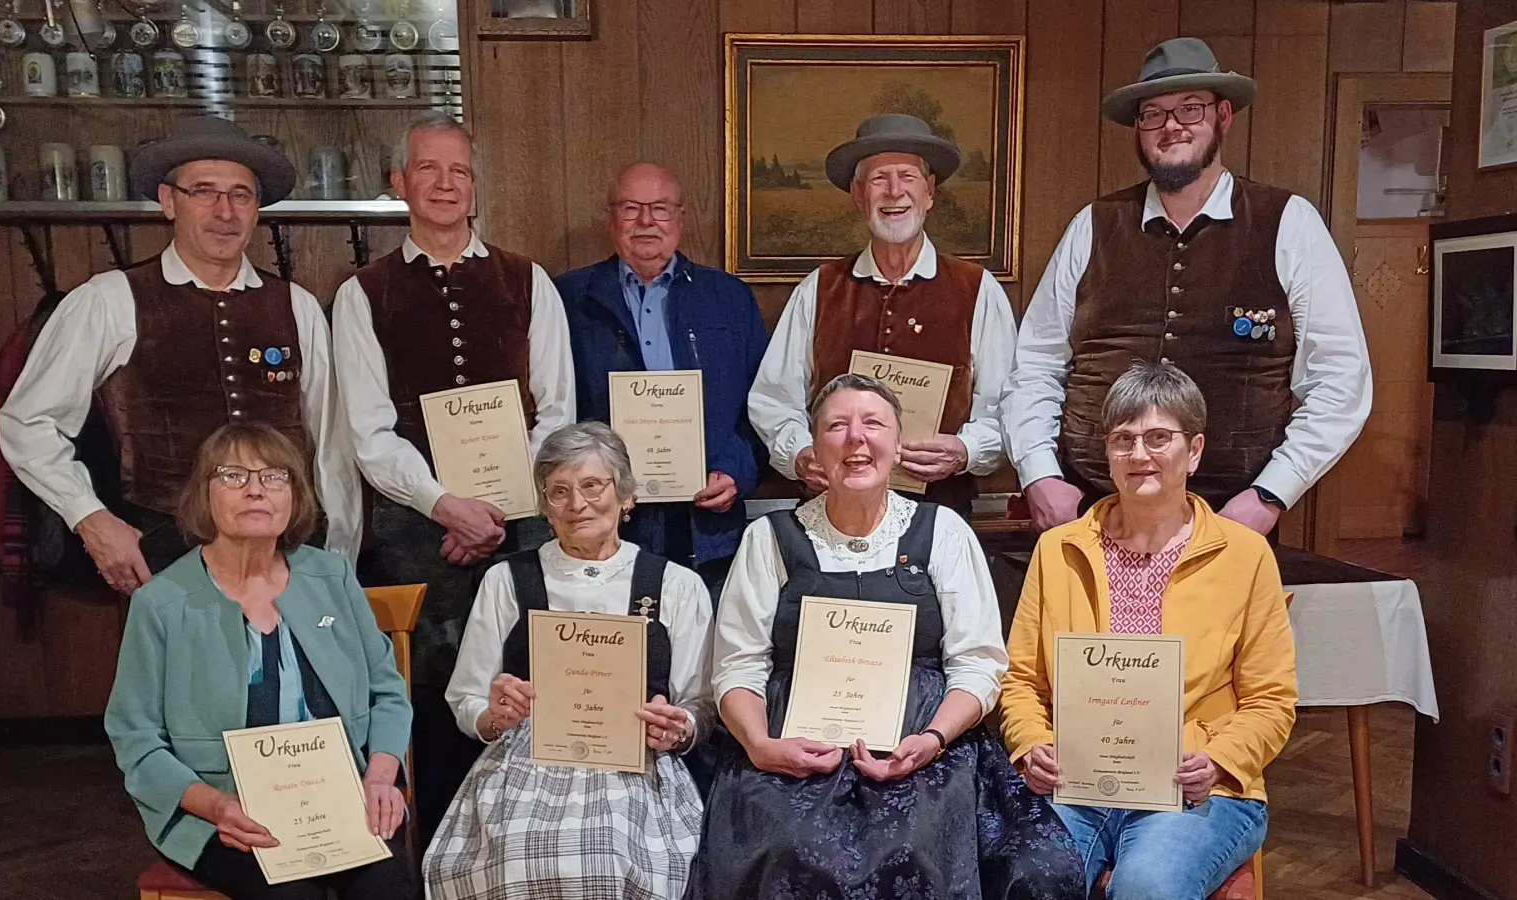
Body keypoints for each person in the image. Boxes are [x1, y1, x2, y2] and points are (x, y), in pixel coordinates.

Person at [686, 374, 1082, 900]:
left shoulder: (943, 530)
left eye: (873, 424)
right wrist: (760, 746)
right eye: (837, 426)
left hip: (925, 746)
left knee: (917, 845)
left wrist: (934, 740)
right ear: (814, 449)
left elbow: (978, 664)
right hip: (791, 744)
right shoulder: (769, 538)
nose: (856, 438)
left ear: (897, 445)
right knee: (787, 846)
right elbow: (738, 664)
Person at [1001, 37, 1371, 535]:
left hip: (1230, 517)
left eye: (1190, 109)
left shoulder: (1288, 223)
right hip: (1092, 510)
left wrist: (1270, 493)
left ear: (1223, 118)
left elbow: (1340, 380)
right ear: (1138, 129)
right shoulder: (1094, 224)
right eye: (1153, 113)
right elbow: (1036, 366)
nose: (1171, 125)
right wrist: (1040, 475)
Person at [331, 111, 575, 831]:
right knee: (430, 691)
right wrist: (447, 504)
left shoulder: (527, 281)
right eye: (429, 169)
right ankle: (439, 846)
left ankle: (534, 835)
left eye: (459, 171)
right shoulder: (362, 293)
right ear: (400, 183)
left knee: (529, 675)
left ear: (475, 188)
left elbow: (558, 408)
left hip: (524, 520)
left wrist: (500, 505)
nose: (445, 183)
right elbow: (368, 433)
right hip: (415, 530)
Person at [0, 115, 362, 593]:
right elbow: (28, 422)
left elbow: (332, 447)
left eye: (240, 195)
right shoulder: (109, 299)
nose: (224, 211)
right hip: (167, 558)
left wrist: (337, 558)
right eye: (204, 191)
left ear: (257, 210)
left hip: (288, 557)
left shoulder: (297, 307)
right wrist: (91, 518)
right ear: (169, 202)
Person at [1001, 361, 1298, 899]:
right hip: (1077, 784)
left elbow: (1272, 700)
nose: (1139, 456)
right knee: (1030, 879)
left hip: (1196, 790)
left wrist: (1221, 761)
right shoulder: (1058, 549)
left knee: (1147, 888)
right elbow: (1020, 679)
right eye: (1124, 440)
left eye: (1159, 438)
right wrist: (1032, 745)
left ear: (1195, 450)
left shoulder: (1245, 555)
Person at [105, 422, 414, 900]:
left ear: (294, 495)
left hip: (343, 796)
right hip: (223, 811)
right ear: (204, 495)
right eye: (232, 476)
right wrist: (216, 806)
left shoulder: (332, 576)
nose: (255, 490)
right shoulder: (161, 602)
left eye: (275, 476)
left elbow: (388, 693)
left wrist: (379, 775)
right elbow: (135, 739)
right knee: (293, 896)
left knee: (388, 888)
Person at [421, 422, 712, 899]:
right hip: (527, 760)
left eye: (592, 486)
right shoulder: (507, 580)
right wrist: (493, 716)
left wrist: (679, 726)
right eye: (559, 492)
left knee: (615, 854)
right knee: (516, 854)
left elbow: (700, 703)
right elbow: (466, 697)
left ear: (626, 495)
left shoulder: (675, 585)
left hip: (637, 763)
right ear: (545, 510)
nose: (577, 505)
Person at [748, 114, 1017, 516]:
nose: (894, 192)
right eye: (878, 179)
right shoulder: (819, 289)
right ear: (858, 196)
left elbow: (1005, 404)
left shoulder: (977, 289)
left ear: (929, 193)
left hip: (938, 516)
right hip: (829, 512)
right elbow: (773, 399)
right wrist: (800, 453)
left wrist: (966, 450)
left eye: (907, 177)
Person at [555, 162, 769, 598]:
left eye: (661, 209)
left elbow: (764, 405)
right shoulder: (567, 300)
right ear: (610, 217)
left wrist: (735, 470)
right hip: (605, 532)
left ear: (681, 218)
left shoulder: (728, 298)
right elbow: (553, 411)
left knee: (706, 659)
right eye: (632, 208)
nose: (647, 221)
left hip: (710, 534)